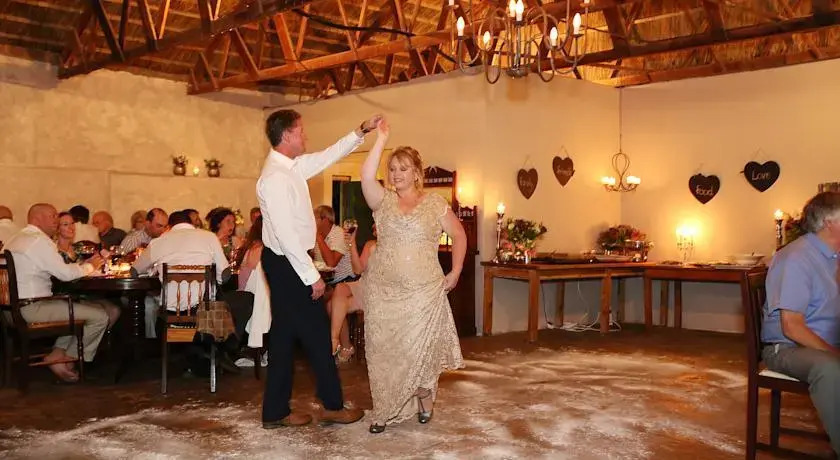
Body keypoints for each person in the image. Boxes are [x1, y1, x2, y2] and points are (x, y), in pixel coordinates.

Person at [257, 108, 380, 429]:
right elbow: (285, 235)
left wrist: (360, 131)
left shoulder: (291, 167)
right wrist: (312, 276)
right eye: (300, 131)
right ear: (287, 136)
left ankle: (275, 412)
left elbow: (327, 156)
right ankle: (332, 405)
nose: (305, 136)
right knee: (316, 332)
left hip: (286, 262)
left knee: (284, 338)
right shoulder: (274, 178)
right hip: (287, 263)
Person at [359, 118, 466, 433]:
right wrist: (381, 139)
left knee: (416, 352)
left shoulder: (434, 204)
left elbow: (459, 235)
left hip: (423, 293)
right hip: (383, 294)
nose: (396, 174)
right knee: (384, 353)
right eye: (393, 169)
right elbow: (366, 176)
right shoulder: (383, 201)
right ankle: (383, 409)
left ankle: (423, 394)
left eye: (403, 168)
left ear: (417, 173)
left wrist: (456, 270)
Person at [761, 191, 840, 455]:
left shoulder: (833, 256)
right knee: (830, 369)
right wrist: (834, 353)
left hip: (824, 339)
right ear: (830, 222)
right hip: (788, 346)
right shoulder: (796, 258)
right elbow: (792, 327)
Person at [4, 203, 109, 382]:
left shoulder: (15, 239)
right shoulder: (39, 241)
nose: (56, 220)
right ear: (37, 219)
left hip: (9, 311)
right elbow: (65, 274)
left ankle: (57, 355)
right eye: (52, 216)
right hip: (30, 309)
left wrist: (82, 266)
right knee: (100, 316)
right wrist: (91, 266)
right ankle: (66, 361)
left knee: (77, 309)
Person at [326, 224, 377, 362]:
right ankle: (334, 340)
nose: (374, 226)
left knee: (331, 306)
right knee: (339, 288)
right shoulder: (370, 244)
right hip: (364, 285)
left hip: (380, 292)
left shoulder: (396, 246)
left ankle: (345, 347)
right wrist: (352, 243)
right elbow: (357, 270)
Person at [313, 205, 354, 284]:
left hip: (344, 282)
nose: (312, 222)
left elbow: (331, 263)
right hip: (327, 281)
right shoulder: (320, 235)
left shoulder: (339, 233)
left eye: (314, 219)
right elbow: (317, 261)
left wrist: (318, 237)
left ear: (325, 220)